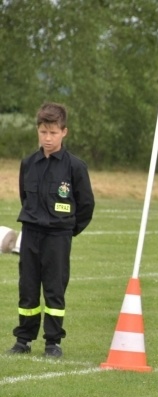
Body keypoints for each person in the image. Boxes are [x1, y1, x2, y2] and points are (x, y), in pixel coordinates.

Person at [6, 102, 95, 358]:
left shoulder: (75, 167)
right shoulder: (28, 163)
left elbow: (86, 205)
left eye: (53, 132)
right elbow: (25, 197)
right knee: (28, 288)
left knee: (54, 290)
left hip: (58, 237)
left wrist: (67, 230)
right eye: (43, 132)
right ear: (38, 130)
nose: (47, 138)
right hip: (31, 234)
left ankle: (53, 343)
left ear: (64, 132)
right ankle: (23, 340)